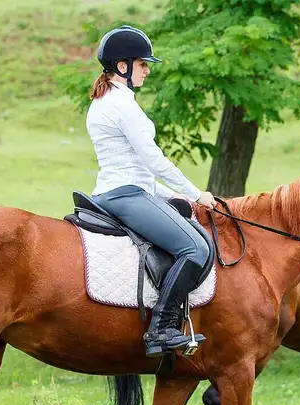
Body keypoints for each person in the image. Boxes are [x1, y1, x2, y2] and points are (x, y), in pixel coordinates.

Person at [86, 25, 216, 357]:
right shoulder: (122, 105)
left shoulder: (108, 101)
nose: (147, 70)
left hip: (125, 189)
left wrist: (174, 197)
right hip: (125, 195)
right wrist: (195, 192)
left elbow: (137, 169)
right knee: (196, 249)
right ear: (122, 66)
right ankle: (161, 327)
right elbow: (153, 160)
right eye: (143, 64)